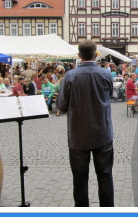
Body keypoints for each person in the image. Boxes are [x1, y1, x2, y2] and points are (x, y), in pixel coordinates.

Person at [57, 40, 114, 207]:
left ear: (79, 55)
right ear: (96, 55)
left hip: (78, 135)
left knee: (80, 179)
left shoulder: (70, 76)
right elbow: (109, 95)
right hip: (102, 134)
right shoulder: (105, 74)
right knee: (105, 176)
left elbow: (61, 105)